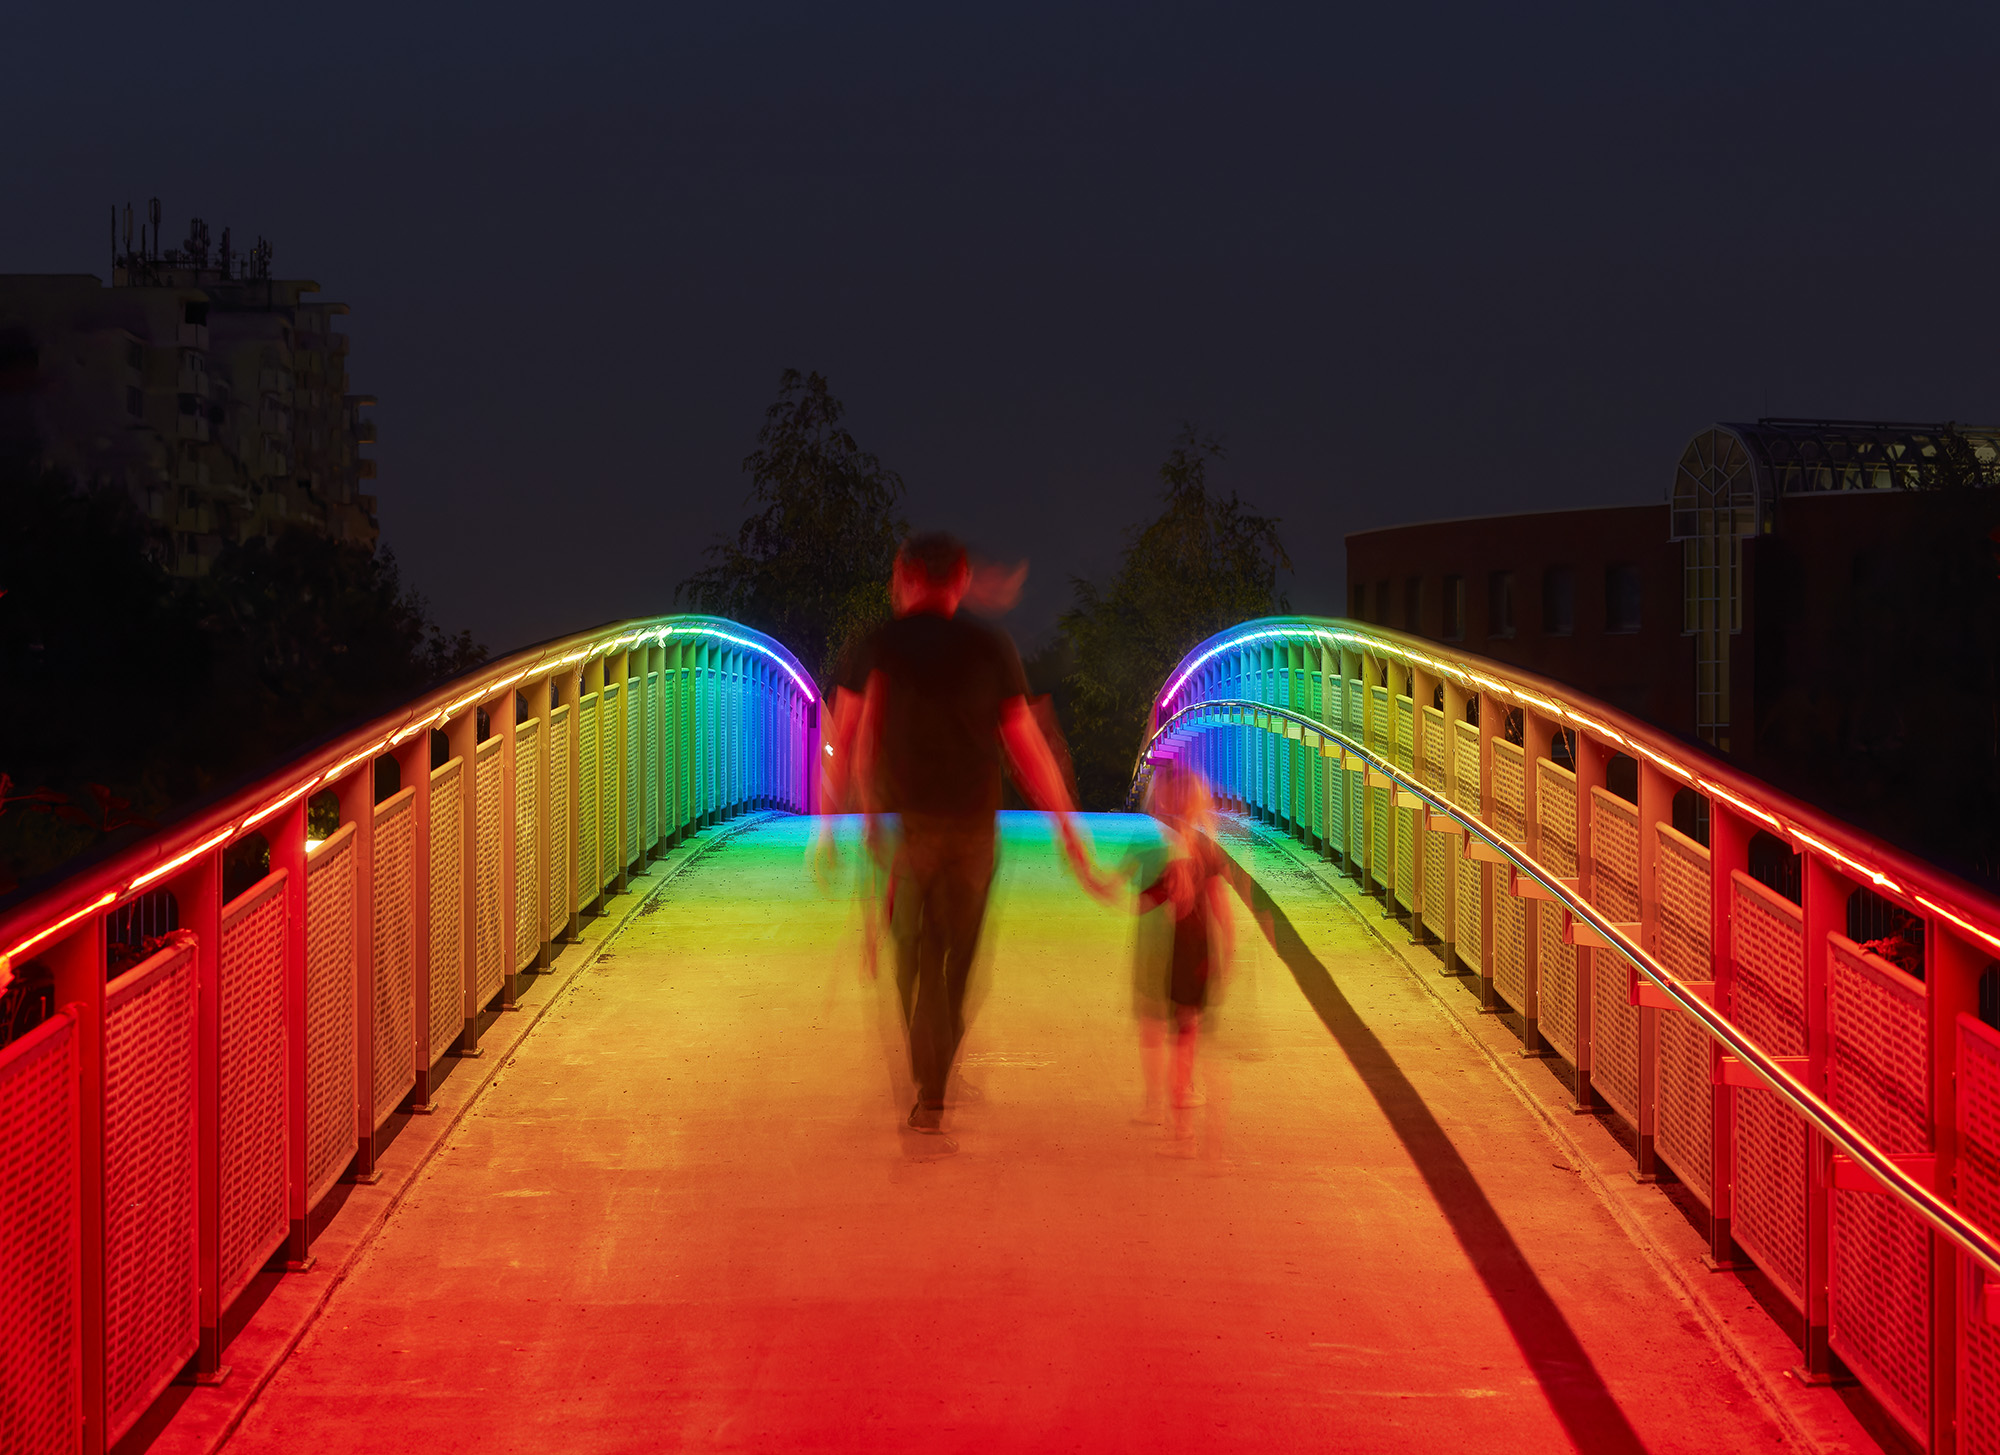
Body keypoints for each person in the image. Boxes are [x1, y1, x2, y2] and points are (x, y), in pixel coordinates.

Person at [814, 533, 1095, 1143]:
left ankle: (929, 1088)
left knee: (913, 963)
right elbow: (1023, 742)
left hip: (907, 834)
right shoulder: (989, 645)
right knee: (957, 963)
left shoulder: (877, 645)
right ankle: (938, 1072)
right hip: (973, 833)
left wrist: (828, 824)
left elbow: (842, 732)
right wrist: (1067, 823)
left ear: (905, 577)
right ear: (960, 579)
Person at [1123, 759, 1232, 1143]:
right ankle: (1181, 1108)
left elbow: (1143, 900)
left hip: (1167, 953)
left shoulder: (1165, 852)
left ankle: (1165, 1108)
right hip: (1197, 953)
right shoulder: (1207, 850)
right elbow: (1222, 908)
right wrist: (1229, 952)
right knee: (1188, 1030)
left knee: (1166, 1026)